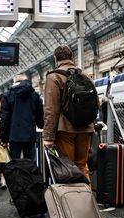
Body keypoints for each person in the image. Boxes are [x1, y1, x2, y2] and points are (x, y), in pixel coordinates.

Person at [43, 45, 95, 181]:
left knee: (68, 168)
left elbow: (51, 109)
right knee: (82, 166)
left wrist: (48, 137)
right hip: (85, 128)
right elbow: (96, 103)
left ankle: (73, 201)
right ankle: (86, 200)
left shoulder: (53, 77)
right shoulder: (84, 75)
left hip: (65, 129)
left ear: (55, 59)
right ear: (71, 57)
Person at [0, 73, 44, 161]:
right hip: (30, 134)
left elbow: (5, 118)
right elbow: (40, 114)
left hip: (14, 136)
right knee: (30, 162)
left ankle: (17, 175)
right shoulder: (34, 95)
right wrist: (41, 125)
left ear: (14, 81)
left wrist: (4, 138)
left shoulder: (8, 95)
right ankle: (29, 174)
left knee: (15, 163)